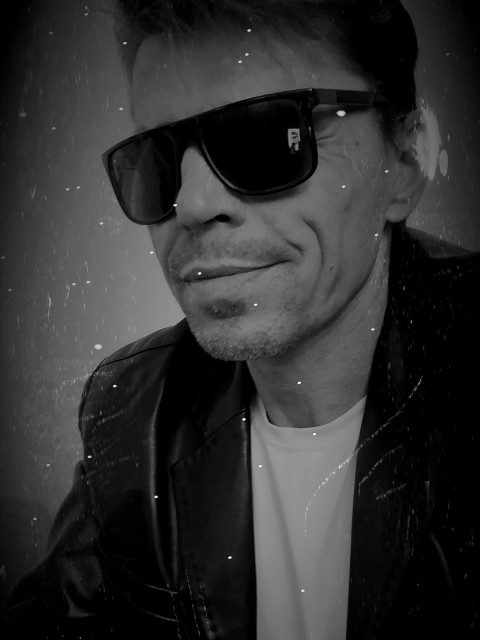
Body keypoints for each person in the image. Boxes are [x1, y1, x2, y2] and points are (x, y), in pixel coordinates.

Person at [1, 0, 479, 638]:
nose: (192, 205)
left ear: (405, 160)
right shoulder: (132, 421)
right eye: (159, 159)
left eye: (265, 135)